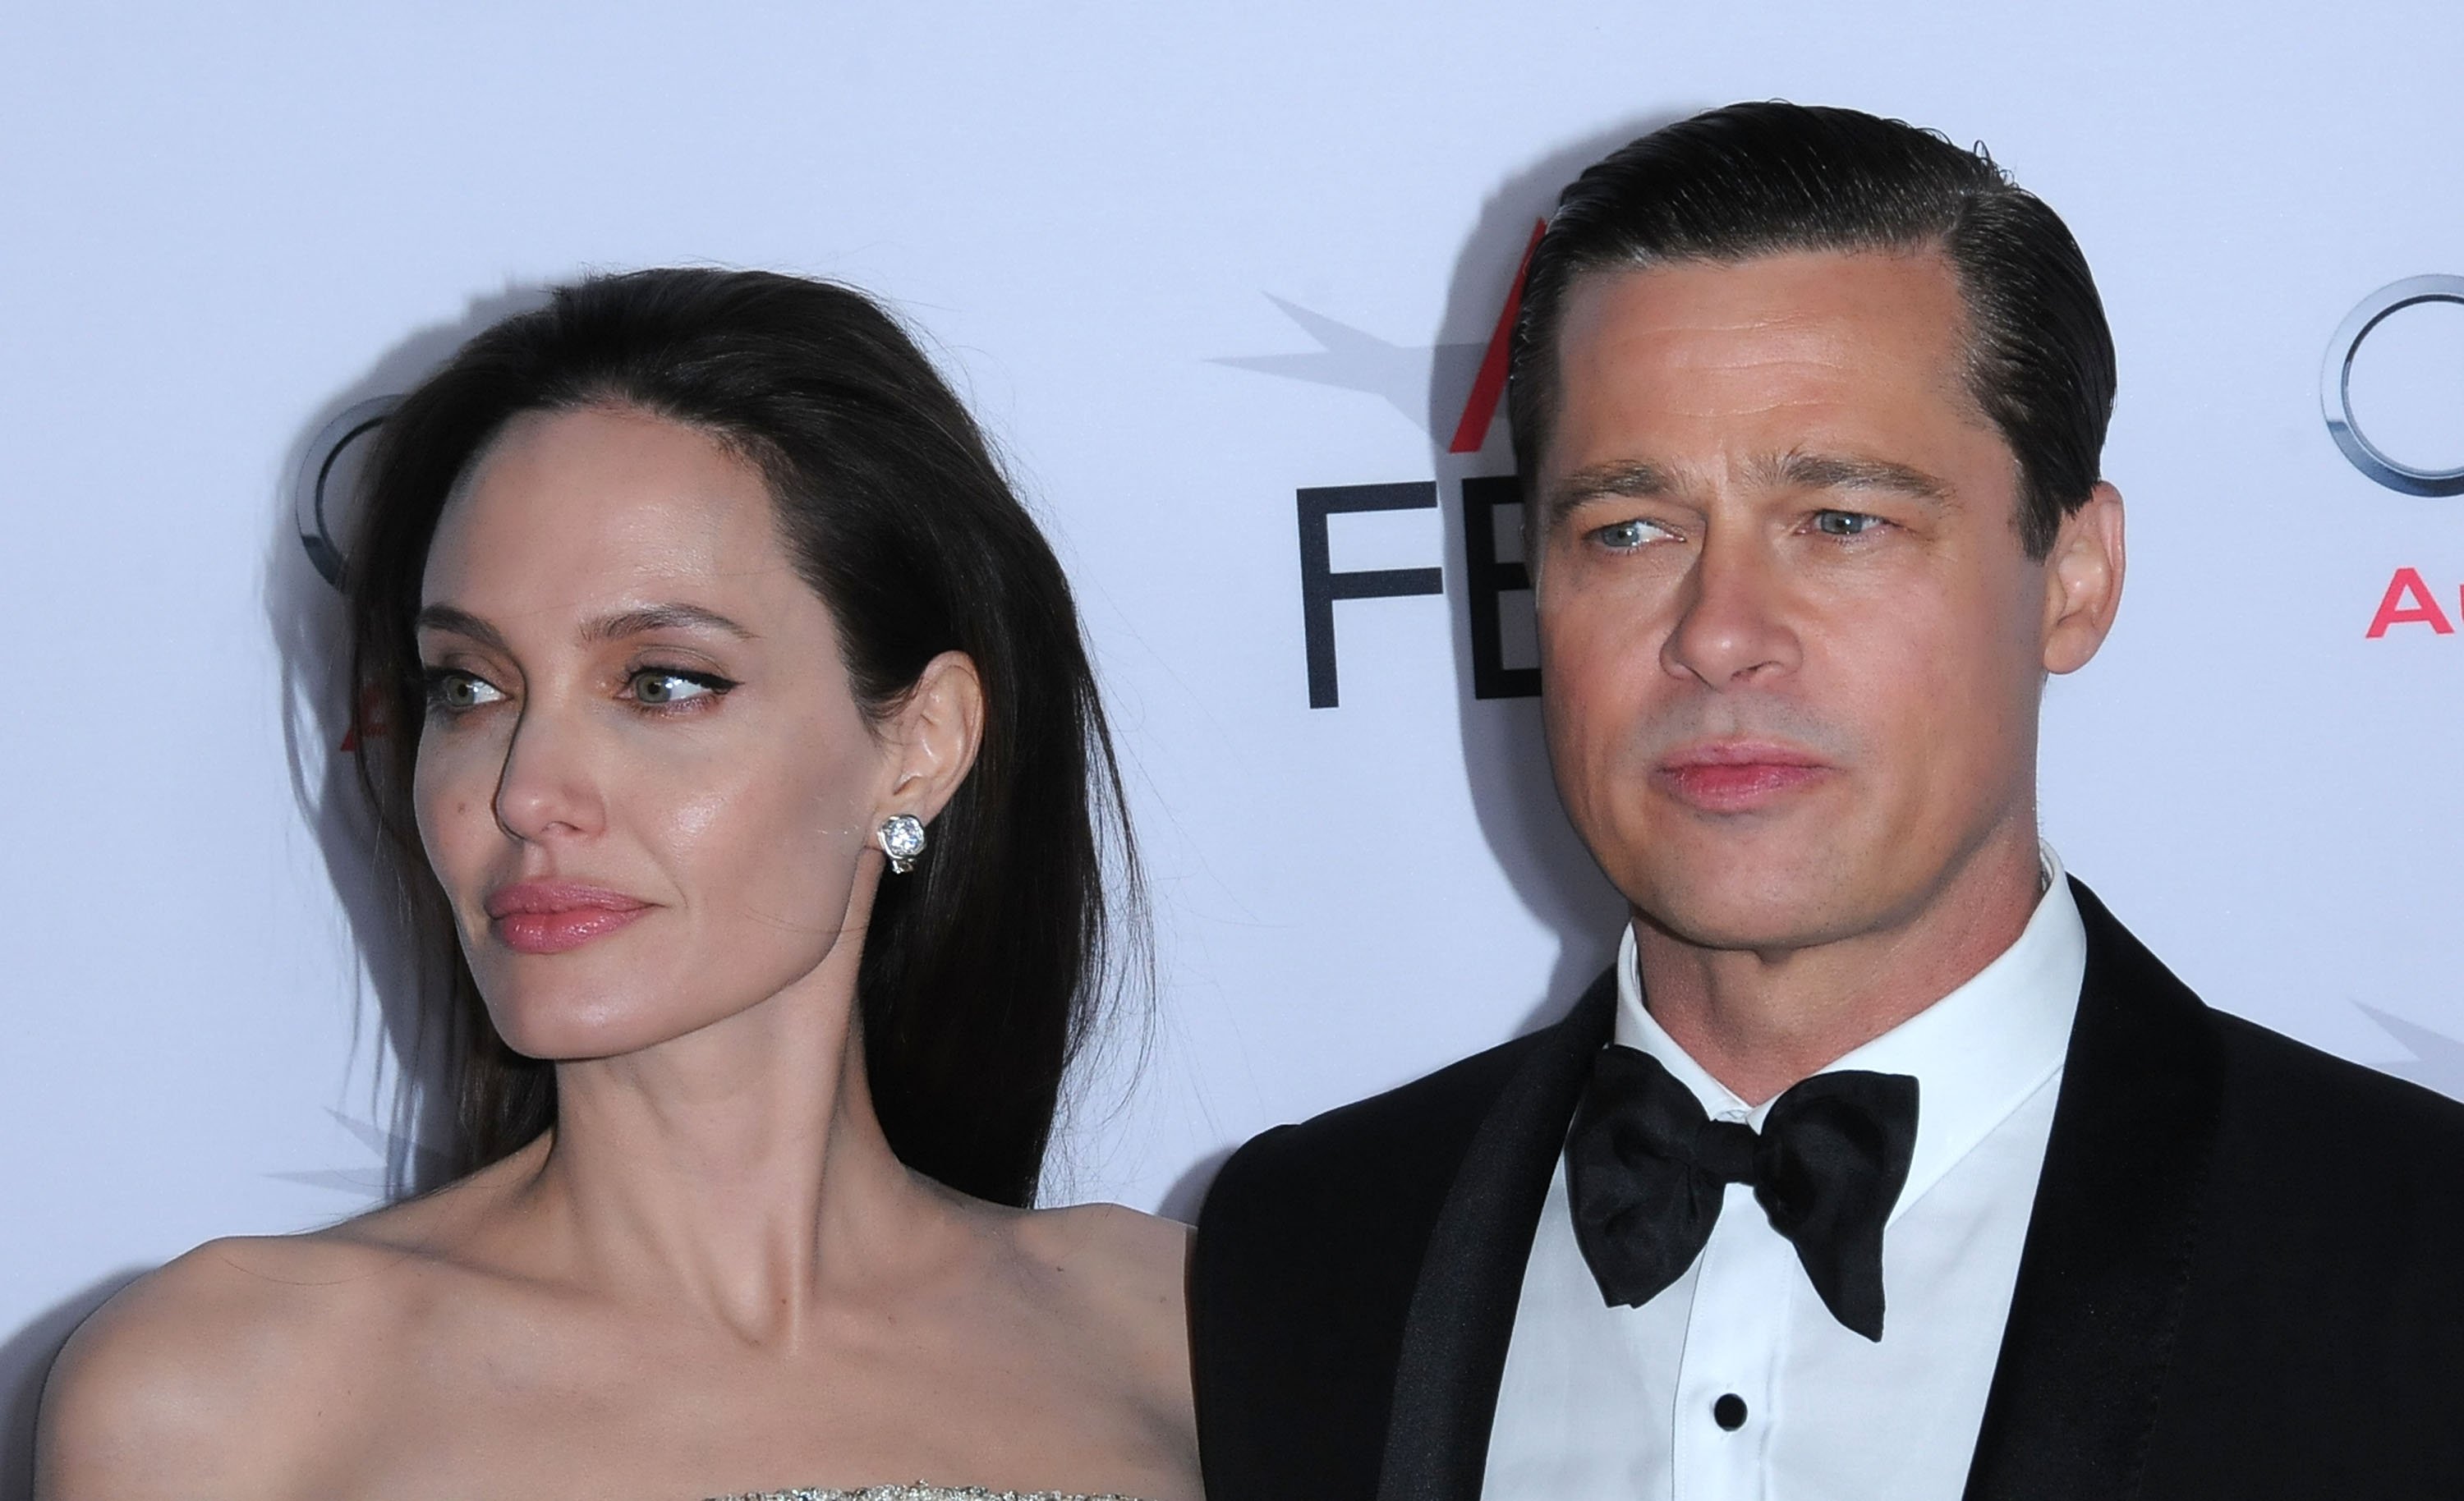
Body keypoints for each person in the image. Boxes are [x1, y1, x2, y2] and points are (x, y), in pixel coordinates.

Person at [1188, 102, 2464, 1500]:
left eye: (1842, 522)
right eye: (1628, 530)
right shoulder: (1302, 1252)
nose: (1720, 632)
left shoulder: (2414, 1252)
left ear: (2076, 577)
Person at [36, 269, 1198, 1501]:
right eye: (468, 688)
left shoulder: (1179, 1336)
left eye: (662, 682)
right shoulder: (222, 1395)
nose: (526, 790)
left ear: (919, 747)